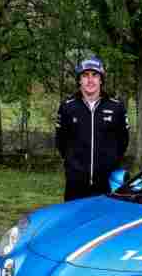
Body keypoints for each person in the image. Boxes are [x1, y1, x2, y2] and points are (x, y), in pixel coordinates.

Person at [55, 54, 129, 201]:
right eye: (85, 75)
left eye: (95, 75)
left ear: (101, 80)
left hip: (106, 184)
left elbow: (123, 141)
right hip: (75, 184)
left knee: (105, 223)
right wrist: (73, 165)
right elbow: (61, 141)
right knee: (73, 222)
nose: (90, 80)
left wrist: (110, 163)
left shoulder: (116, 107)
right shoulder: (67, 107)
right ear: (79, 80)